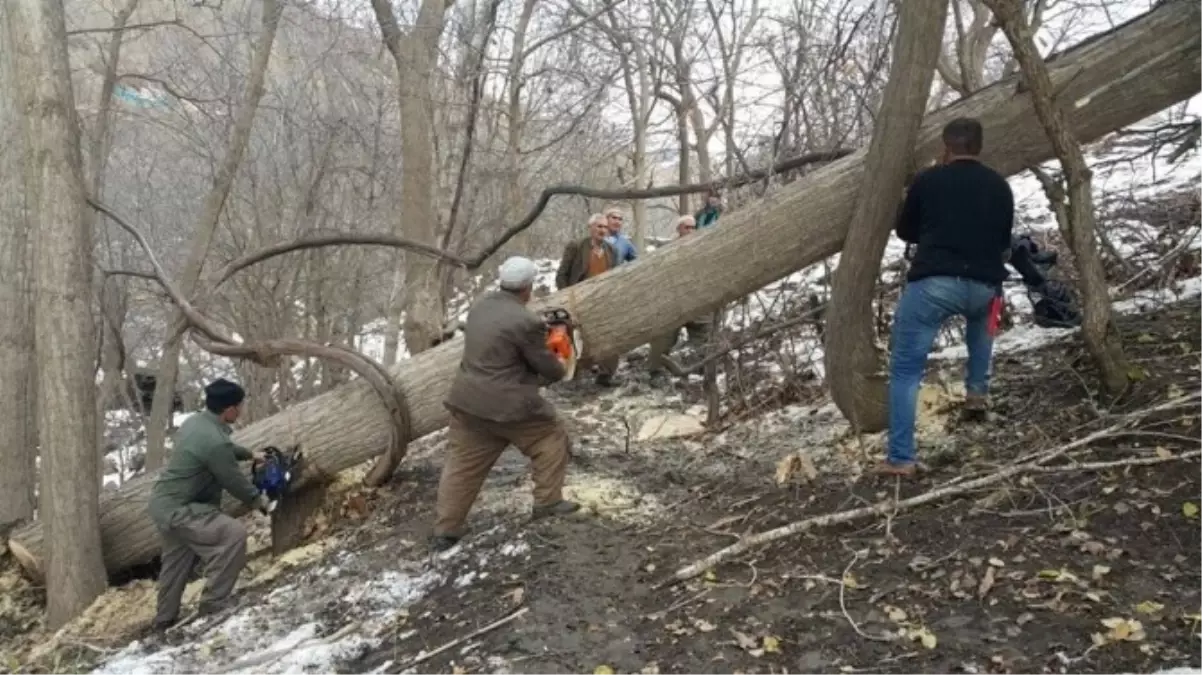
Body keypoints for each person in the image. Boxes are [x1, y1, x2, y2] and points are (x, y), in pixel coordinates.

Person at [885, 117, 1015, 476]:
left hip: (935, 284)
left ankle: (900, 457)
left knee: (906, 369)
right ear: (979, 147)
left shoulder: (929, 180)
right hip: (987, 286)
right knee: (982, 328)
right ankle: (976, 392)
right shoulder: (1000, 186)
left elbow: (905, 230)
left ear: (945, 148)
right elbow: (1005, 240)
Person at [432, 256, 580, 551]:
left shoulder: (479, 307)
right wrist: (562, 360)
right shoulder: (527, 322)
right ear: (527, 287)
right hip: (507, 406)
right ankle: (548, 501)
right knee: (551, 436)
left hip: (467, 402)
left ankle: (445, 530)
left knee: (462, 466)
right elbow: (549, 369)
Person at [147, 378, 268, 630]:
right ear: (230, 410)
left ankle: (163, 620)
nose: (242, 409)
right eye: (240, 405)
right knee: (233, 535)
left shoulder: (196, 423)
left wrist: (249, 454)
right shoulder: (215, 442)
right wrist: (260, 501)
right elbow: (232, 479)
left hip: (163, 504)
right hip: (182, 510)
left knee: (176, 563)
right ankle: (214, 603)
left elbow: (221, 447)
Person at [556, 214, 621, 386]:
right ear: (590, 228)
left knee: (609, 335)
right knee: (575, 340)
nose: (602, 230)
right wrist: (565, 299)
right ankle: (572, 376)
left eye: (605, 227)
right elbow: (562, 275)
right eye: (599, 226)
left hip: (602, 300)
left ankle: (605, 375)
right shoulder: (576, 247)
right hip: (578, 301)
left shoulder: (611, 251)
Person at [647, 216, 712, 375]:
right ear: (679, 229)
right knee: (662, 340)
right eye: (686, 227)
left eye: (693, 227)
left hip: (697, 300)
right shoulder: (666, 250)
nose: (690, 231)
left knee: (704, 337)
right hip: (673, 302)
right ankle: (656, 372)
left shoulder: (702, 249)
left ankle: (701, 370)